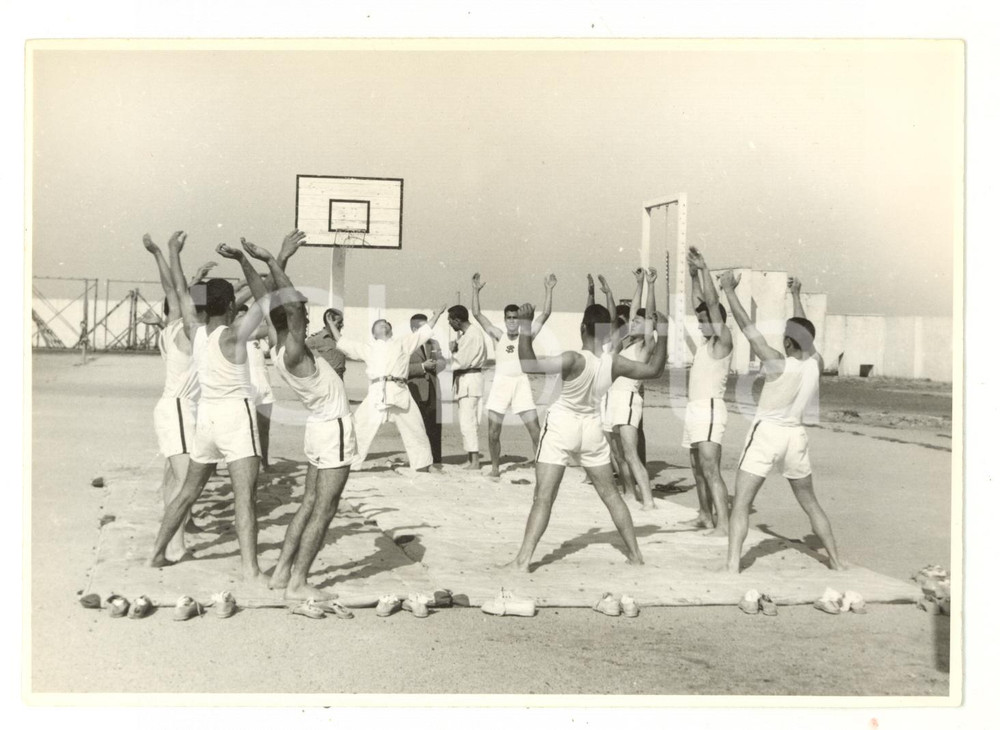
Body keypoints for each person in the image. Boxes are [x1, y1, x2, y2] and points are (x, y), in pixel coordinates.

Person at [222, 231, 357, 601]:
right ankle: (299, 582)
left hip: (318, 428)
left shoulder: (277, 342)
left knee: (309, 504)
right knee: (324, 510)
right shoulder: (295, 347)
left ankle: (282, 573)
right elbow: (292, 304)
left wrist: (243, 262)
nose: (306, 312)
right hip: (333, 429)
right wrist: (270, 260)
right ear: (292, 319)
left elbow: (271, 301)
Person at [502, 299, 670, 573]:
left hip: (561, 427)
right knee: (611, 495)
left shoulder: (573, 358)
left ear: (583, 328)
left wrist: (524, 327)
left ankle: (523, 560)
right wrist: (662, 334)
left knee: (544, 498)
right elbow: (655, 371)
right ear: (606, 333)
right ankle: (636, 555)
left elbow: (528, 365)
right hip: (592, 428)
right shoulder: (614, 362)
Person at [148, 231, 265, 585]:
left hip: (206, 420)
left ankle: (156, 553)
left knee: (187, 493)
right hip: (234, 419)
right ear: (230, 307)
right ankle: (250, 569)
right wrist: (248, 260)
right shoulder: (235, 335)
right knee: (244, 498)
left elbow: (181, 293)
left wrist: (173, 253)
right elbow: (266, 297)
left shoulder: (195, 332)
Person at [719, 270, 845, 573]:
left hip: (767, 436)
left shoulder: (777, 363)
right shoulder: (816, 363)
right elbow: (805, 335)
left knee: (741, 504)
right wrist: (796, 297)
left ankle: (733, 565)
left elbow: (746, 327)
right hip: (796, 437)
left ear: (788, 341)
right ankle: (837, 563)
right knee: (811, 503)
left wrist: (729, 292)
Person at [141, 233, 204, 561]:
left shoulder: (170, 326)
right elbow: (178, 289)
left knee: (173, 478)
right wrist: (171, 252)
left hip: (171, 409)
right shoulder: (189, 330)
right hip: (180, 410)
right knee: (185, 483)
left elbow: (171, 291)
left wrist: (157, 254)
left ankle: (173, 545)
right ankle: (174, 547)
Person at [337, 306, 448, 471]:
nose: (384, 324)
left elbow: (422, 333)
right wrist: (331, 325)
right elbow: (342, 342)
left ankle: (423, 464)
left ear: (391, 330)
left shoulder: (403, 343)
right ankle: (349, 463)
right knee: (360, 427)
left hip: (400, 391)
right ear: (374, 334)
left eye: (386, 323)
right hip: (377, 394)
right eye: (380, 324)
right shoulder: (368, 348)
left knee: (415, 427)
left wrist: (437, 315)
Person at [471, 272, 556, 477]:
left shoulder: (527, 335)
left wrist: (549, 290)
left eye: (515, 318)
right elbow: (477, 314)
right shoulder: (498, 336)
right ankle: (494, 469)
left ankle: (540, 466)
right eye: (508, 318)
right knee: (493, 432)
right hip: (501, 384)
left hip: (521, 384)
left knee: (535, 430)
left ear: (519, 320)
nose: (511, 321)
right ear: (504, 319)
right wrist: (475, 291)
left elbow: (545, 314)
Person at [681, 247, 734, 536]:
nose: (700, 324)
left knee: (710, 468)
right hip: (695, 410)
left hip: (711, 410)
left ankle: (723, 525)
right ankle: (704, 514)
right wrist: (693, 277)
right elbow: (699, 302)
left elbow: (711, 303)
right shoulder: (705, 343)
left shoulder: (722, 341)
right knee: (696, 466)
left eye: (705, 321)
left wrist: (704, 268)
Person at [603, 267, 659, 510]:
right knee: (617, 453)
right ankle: (629, 492)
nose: (633, 322)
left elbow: (647, 315)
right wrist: (637, 284)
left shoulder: (645, 346)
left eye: (638, 321)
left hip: (628, 398)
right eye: (633, 320)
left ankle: (648, 499)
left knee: (630, 452)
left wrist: (650, 285)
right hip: (611, 398)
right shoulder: (626, 343)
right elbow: (635, 313)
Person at [446, 304, 489, 470]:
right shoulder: (469, 334)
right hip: (469, 380)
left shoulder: (472, 335)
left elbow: (461, 362)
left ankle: (475, 461)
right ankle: (471, 459)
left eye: (450, 320)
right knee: (468, 421)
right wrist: (457, 347)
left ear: (457, 320)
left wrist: (453, 351)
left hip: (469, 380)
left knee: (468, 421)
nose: (449, 323)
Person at [407, 313, 447, 466]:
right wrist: (423, 367)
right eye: (424, 326)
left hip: (433, 389)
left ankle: (436, 460)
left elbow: (442, 360)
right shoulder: (407, 344)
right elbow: (402, 369)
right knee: (417, 427)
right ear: (414, 328)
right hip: (415, 390)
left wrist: (437, 365)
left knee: (435, 426)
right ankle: (420, 461)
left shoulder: (434, 343)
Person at [306, 308, 348, 380]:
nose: (342, 325)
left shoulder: (339, 341)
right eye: (339, 322)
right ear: (330, 322)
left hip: (339, 380)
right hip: (325, 382)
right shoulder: (314, 340)